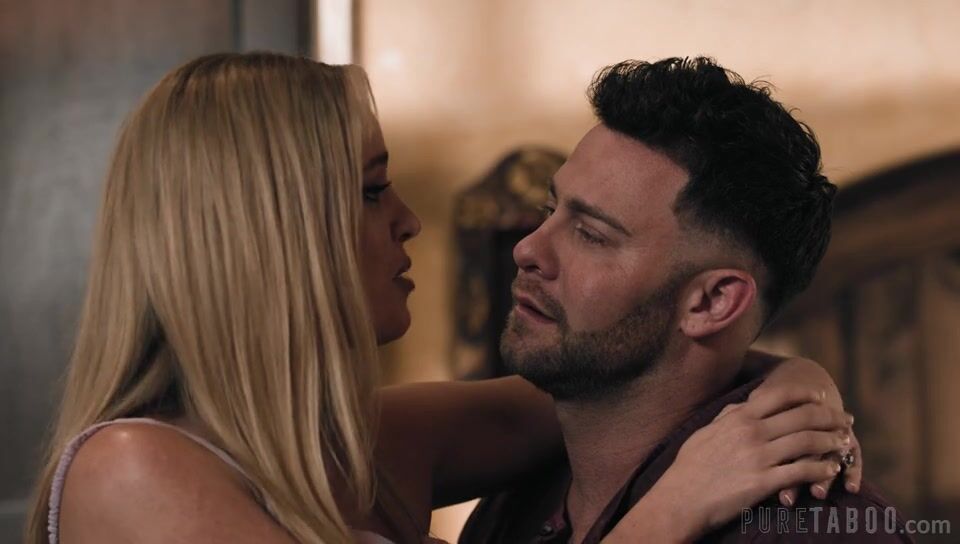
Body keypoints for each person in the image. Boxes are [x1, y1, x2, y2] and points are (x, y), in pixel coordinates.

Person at [24, 53, 860, 544]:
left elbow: (641, 380)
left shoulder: (375, 440)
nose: (410, 221)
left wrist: (800, 386)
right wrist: (667, 516)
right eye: (371, 191)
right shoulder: (131, 472)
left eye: (590, 230)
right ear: (265, 232)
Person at [459, 57, 910, 543]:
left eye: (590, 234)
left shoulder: (813, 532)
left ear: (712, 302)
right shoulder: (515, 500)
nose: (527, 249)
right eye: (549, 210)